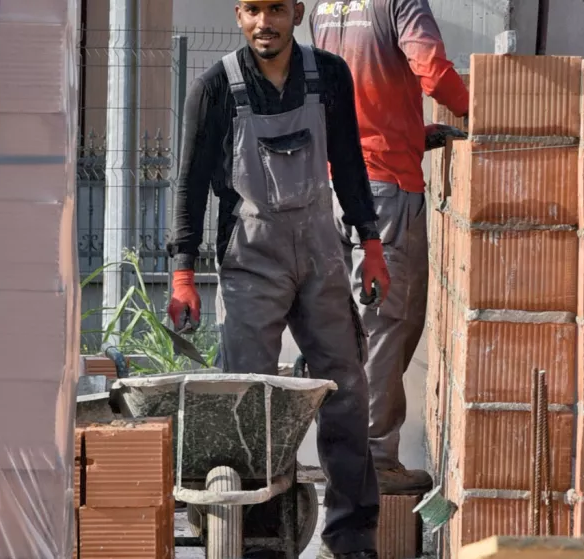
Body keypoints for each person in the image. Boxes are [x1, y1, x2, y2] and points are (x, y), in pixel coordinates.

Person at [165, 1, 391, 557]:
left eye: (275, 9)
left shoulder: (329, 76)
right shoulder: (216, 87)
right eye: (251, 10)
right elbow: (189, 182)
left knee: (344, 387)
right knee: (250, 398)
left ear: (297, 12)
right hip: (250, 259)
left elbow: (349, 161)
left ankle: (352, 534)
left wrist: (372, 240)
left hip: (320, 251)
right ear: (237, 15)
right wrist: (182, 272)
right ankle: (258, 535)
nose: (263, 22)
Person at [309, 0, 469, 495]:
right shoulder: (398, 4)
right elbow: (435, 73)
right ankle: (374, 458)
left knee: (342, 328)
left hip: (332, 185)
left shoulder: (323, 8)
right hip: (382, 191)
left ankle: (340, 455)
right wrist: (486, 114)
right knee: (386, 323)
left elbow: (349, 99)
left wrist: (414, 136)